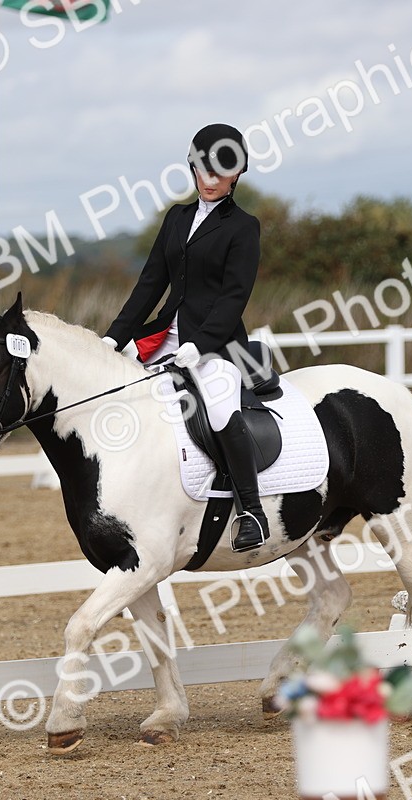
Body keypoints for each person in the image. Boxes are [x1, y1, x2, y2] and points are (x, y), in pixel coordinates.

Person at [101, 123, 269, 552]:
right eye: (203, 171)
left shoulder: (243, 227)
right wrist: (113, 337)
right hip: (164, 340)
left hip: (218, 345)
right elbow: (150, 283)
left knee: (217, 406)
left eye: (220, 174)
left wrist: (202, 343)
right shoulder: (176, 218)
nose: (210, 181)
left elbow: (235, 297)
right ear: (193, 169)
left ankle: (252, 511)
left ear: (235, 176)